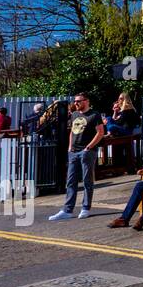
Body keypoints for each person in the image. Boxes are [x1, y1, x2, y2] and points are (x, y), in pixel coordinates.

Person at [48, 93, 105, 221]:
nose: (76, 103)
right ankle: (67, 210)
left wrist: (89, 147)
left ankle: (86, 208)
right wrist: (70, 147)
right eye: (75, 101)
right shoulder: (74, 115)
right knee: (71, 181)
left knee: (87, 180)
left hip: (87, 151)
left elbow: (100, 132)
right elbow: (72, 132)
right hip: (73, 151)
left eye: (79, 101)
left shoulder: (94, 115)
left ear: (86, 101)